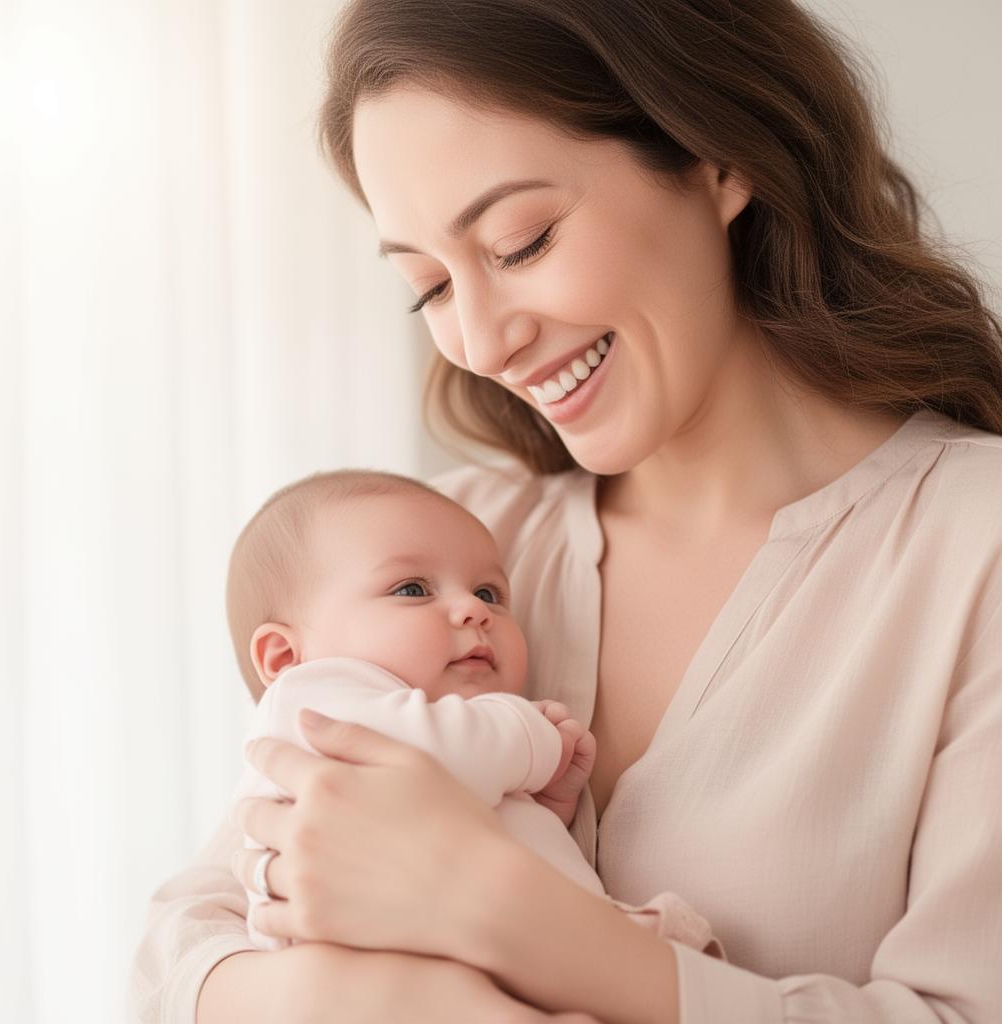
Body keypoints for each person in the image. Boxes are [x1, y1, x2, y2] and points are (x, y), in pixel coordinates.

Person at [129, 0, 1002, 1021]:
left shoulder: (969, 547)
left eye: (519, 242)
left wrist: (499, 910)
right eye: (429, 286)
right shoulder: (453, 545)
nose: (482, 344)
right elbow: (179, 954)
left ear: (716, 155)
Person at [226, 468, 718, 956]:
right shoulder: (309, 701)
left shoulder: (445, 737)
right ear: (285, 657)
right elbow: (442, 750)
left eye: (489, 593)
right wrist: (531, 735)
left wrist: (540, 809)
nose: (473, 609)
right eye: (413, 589)